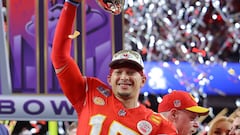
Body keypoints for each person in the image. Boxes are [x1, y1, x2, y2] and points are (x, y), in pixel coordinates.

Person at [51, 0, 177, 134]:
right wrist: (71, 4)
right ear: (109, 79)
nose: (124, 77)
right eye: (119, 72)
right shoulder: (89, 92)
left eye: (130, 72)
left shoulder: (159, 125)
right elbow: (59, 57)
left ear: (143, 80)